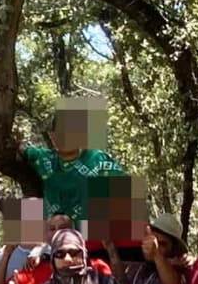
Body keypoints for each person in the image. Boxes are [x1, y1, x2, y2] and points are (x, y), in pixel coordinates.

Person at [21, 97, 126, 226]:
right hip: (54, 232)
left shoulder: (97, 160)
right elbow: (20, 149)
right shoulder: (44, 158)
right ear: (52, 136)